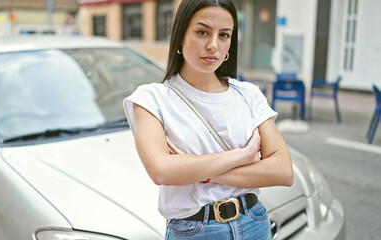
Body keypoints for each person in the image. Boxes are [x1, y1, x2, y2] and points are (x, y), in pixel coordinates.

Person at [123, 0, 293, 239]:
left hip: (254, 223)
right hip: (195, 231)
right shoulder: (152, 99)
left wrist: (197, 170)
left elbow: (283, 171)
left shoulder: (248, 94)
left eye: (224, 35)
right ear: (181, 35)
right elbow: (161, 171)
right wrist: (242, 157)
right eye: (202, 32)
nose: (213, 45)